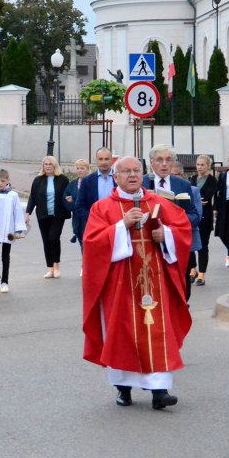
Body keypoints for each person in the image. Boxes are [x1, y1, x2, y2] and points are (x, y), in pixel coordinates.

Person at [81, 155, 193, 410]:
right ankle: (124, 388)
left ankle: (159, 391)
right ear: (116, 176)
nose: (132, 175)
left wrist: (167, 235)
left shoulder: (157, 202)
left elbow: (183, 228)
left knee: (158, 331)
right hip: (120, 285)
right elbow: (92, 243)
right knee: (122, 334)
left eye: (136, 171)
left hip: (155, 283)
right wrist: (121, 226)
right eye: (126, 171)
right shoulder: (103, 208)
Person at [143, 144, 201, 301]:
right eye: (159, 160)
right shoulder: (141, 183)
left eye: (168, 160)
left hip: (176, 245)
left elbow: (194, 216)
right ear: (151, 162)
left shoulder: (183, 184)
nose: (164, 164)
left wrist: (174, 225)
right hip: (149, 246)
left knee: (182, 293)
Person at [26, 155, 70, 278]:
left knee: (53, 237)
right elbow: (32, 197)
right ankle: (50, 268)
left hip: (58, 214)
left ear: (55, 165)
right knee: (46, 241)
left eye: (50, 164)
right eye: (46, 164)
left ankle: (56, 266)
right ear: (43, 166)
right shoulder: (38, 180)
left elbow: (68, 194)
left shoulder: (62, 179)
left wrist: (71, 203)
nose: (48, 166)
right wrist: (27, 213)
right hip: (43, 215)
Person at [74, 147, 116, 242]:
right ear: (96, 160)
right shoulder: (87, 181)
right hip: (94, 227)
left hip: (116, 225)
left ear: (111, 160)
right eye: (100, 159)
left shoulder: (119, 179)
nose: (104, 162)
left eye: (106, 159)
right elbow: (79, 207)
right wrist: (93, 219)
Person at [191, 154, 218, 286]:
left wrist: (196, 199)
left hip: (205, 217)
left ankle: (201, 274)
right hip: (193, 215)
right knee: (191, 244)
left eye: (202, 165)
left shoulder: (212, 180)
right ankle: (192, 269)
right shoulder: (193, 178)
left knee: (202, 245)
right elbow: (189, 196)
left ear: (208, 166)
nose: (200, 167)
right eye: (198, 164)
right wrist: (196, 200)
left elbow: (206, 198)